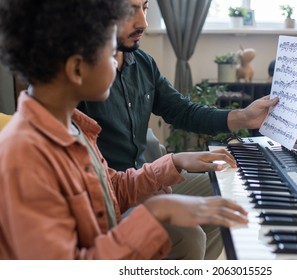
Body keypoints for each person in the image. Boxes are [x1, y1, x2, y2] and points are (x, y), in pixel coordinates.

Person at [0, 0, 249, 260]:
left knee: (217, 204)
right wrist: (154, 214)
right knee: (188, 236)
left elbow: (111, 189)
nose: (118, 62)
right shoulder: (25, 159)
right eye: (111, 54)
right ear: (76, 69)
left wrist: (171, 165)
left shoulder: (75, 130)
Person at [78, 0, 279, 259]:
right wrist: (162, 177)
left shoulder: (143, 63)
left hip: (138, 180)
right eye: (130, 10)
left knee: (224, 197)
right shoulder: (79, 83)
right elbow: (99, 189)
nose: (144, 22)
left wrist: (242, 117)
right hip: (115, 197)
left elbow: (182, 110)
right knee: (190, 236)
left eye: (145, 7)